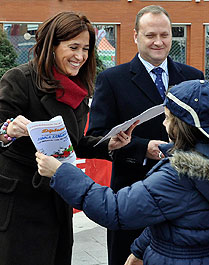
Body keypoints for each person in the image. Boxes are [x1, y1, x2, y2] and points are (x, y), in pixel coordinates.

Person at [36, 79, 209, 265]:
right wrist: (140, 250)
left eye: (167, 117)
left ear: (180, 125)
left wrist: (62, 173)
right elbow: (170, 215)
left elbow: (116, 210)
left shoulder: (177, 175)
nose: (164, 123)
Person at [0, 11, 136, 265]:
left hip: (58, 198)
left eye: (85, 48)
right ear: (51, 46)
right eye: (73, 47)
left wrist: (108, 144)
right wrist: (8, 129)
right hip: (20, 202)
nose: (80, 56)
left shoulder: (77, 89)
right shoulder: (20, 79)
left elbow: (71, 144)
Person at [86, 5, 204, 265]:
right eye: (151, 35)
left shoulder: (193, 78)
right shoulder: (112, 80)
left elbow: (203, 131)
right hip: (131, 197)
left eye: (165, 34)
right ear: (135, 36)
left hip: (183, 198)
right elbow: (97, 136)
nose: (158, 42)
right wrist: (142, 148)